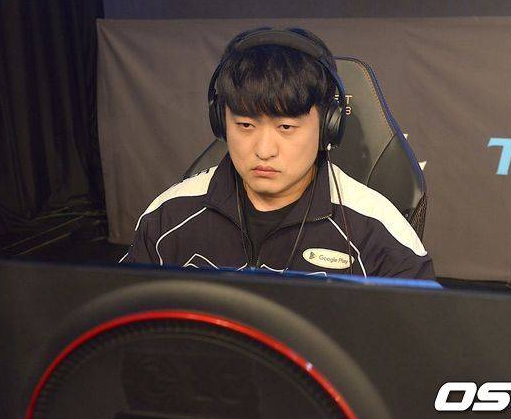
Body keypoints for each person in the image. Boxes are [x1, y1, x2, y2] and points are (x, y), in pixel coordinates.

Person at [121, 27, 435, 279]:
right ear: (220, 122)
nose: (264, 150)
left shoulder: (379, 234)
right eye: (245, 125)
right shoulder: (167, 217)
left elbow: (418, 335)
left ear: (328, 125)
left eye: (286, 127)